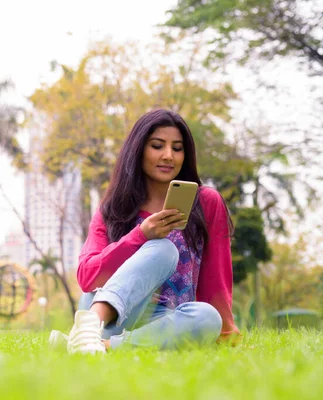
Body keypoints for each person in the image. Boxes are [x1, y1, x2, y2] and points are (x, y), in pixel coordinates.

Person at [49, 109, 240, 354]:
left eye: (177, 148)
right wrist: (140, 236)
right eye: (157, 146)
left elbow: (216, 278)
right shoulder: (113, 209)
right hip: (112, 316)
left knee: (207, 318)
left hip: (165, 322)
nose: (168, 156)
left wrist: (226, 336)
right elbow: (87, 277)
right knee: (162, 249)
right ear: (139, 150)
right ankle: (91, 327)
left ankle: (96, 345)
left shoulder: (205, 202)